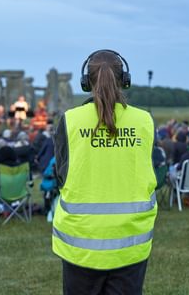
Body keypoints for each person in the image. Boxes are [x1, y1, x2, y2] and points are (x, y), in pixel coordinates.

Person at [52, 50, 157, 295]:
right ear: (125, 79)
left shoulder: (70, 120)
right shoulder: (144, 121)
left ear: (86, 82)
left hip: (80, 240)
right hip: (130, 239)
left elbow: (61, 175)